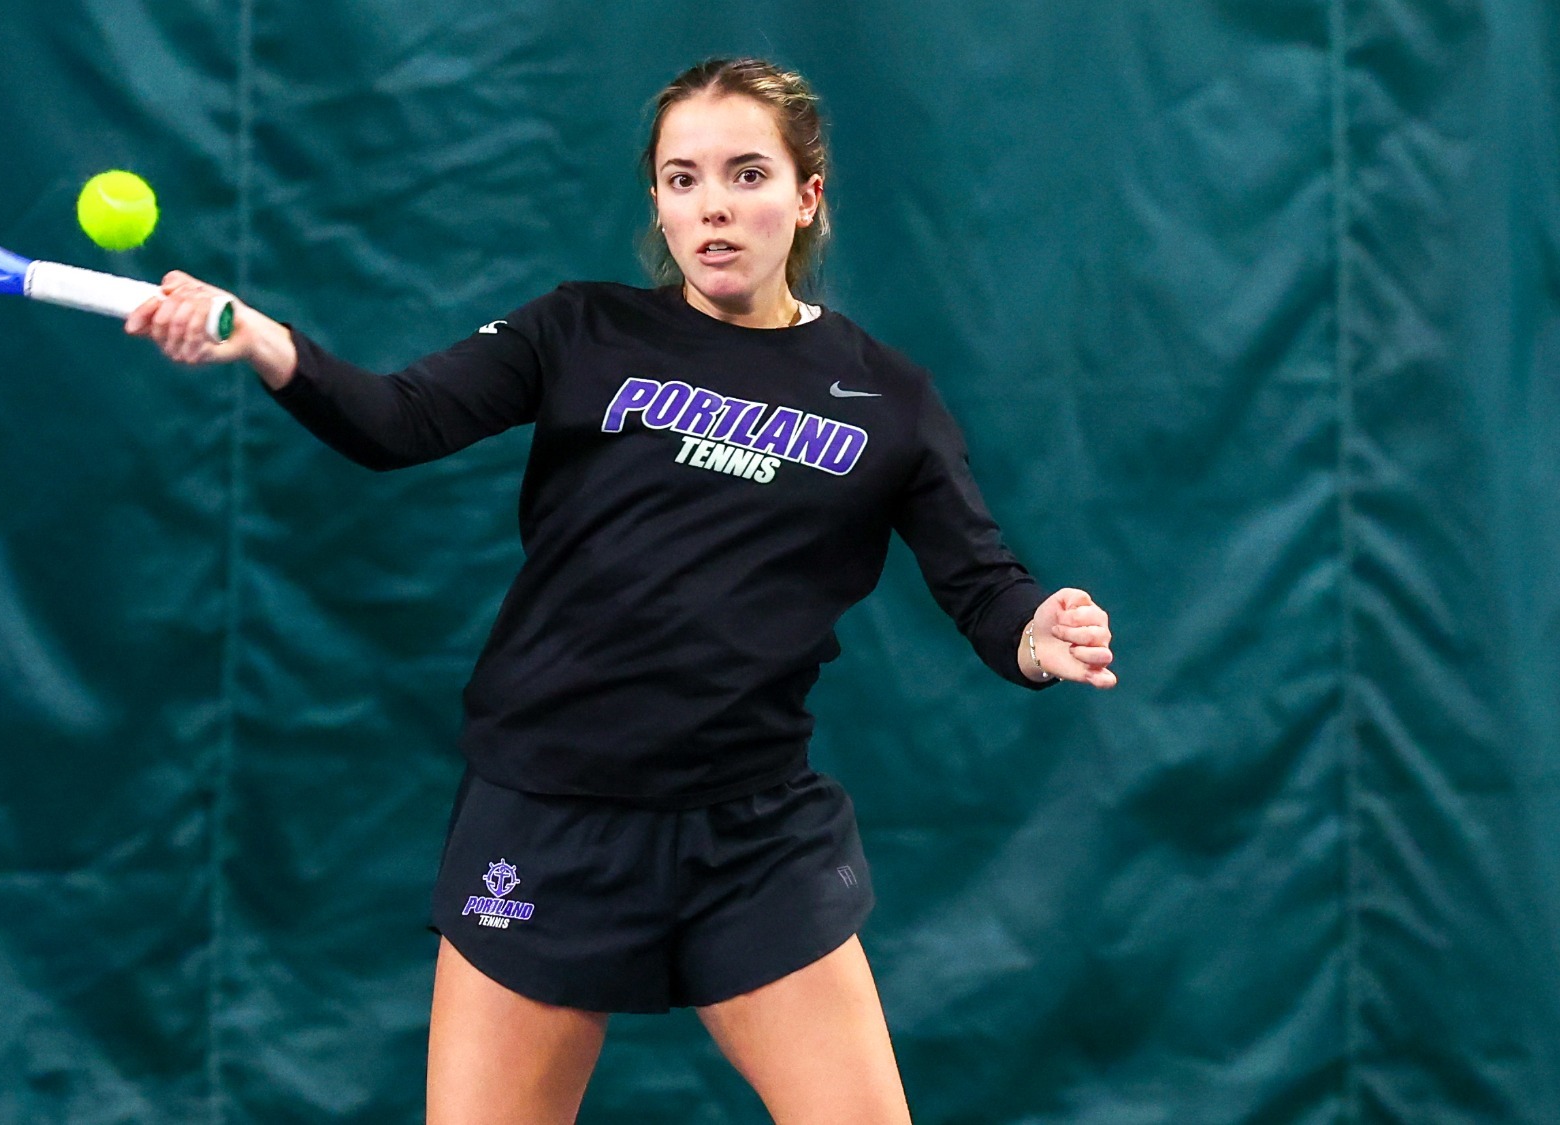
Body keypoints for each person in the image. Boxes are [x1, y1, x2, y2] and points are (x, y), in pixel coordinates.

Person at [128, 56, 1115, 1125]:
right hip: (549, 816)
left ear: (806, 196)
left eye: (746, 175)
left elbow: (981, 586)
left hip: (752, 836)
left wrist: (1032, 632)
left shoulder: (887, 398)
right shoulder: (577, 330)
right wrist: (264, 340)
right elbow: (393, 421)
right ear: (655, 200)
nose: (713, 207)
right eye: (681, 180)